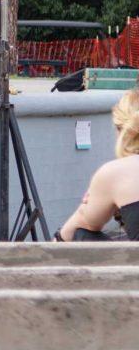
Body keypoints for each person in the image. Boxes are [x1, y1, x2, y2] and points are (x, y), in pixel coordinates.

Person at [56, 88, 139, 241]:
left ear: (121, 130)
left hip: (133, 263)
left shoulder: (116, 173)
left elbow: (82, 223)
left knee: (78, 233)